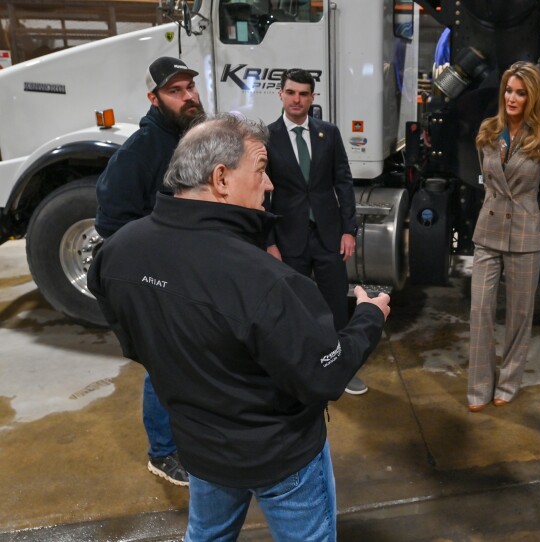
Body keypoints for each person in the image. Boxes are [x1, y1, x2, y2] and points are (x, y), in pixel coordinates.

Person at [87, 114, 391, 541]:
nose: (269, 185)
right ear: (221, 178)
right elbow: (323, 374)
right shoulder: (265, 280)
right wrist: (369, 317)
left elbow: (139, 346)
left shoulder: (117, 253)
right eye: (262, 170)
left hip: (201, 447)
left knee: (206, 535)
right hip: (279, 455)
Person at [94, 56, 206, 486]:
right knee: (163, 366)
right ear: (154, 99)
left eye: (190, 87)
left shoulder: (193, 138)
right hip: (157, 277)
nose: (188, 96)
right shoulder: (141, 150)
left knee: (190, 359)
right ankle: (162, 452)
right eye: (175, 91)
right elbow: (111, 223)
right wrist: (152, 265)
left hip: (191, 272)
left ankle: (186, 435)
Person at [265, 69, 368, 396]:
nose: (297, 99)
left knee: (336, 302)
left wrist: (349, 230)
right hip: (287, 238)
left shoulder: (329, 133)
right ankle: (297, 370)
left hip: (328, 235)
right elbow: (260, 193)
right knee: (293, 306)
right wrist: (268, 241)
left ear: (312, 97)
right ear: (280, 94)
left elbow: (344, 182)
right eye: (291, 92)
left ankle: (341, 370)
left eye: (304, 94)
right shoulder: (266, 137)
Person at [467, 61, 540, 412]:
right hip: (488, 230)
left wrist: (533, 225)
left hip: (525, 234)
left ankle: (508, 382)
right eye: (509, 90)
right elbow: (487, 182)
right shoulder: (489, 131)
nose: (512, 97)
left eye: (521, 92)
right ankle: (478, 388)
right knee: (480, 310)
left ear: (533, 97)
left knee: (520, 314)